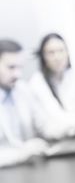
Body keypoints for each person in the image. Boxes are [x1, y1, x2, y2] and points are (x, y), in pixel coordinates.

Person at [0, 39, 56, 168]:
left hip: (29, 169)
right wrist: (21, 154)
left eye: (20, 67)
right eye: (11, 67)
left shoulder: (23, 89)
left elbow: (44, 125)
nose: (17, 74)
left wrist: (71, 128)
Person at [29, 33, 75, 134]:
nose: (57, 57)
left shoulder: (73, 74)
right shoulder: (37, 83)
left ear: (67, 52)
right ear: (43, 57)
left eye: (61, 51)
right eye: (51, 53)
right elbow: (56, 118)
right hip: (58, 138)